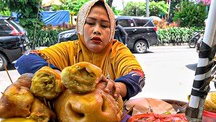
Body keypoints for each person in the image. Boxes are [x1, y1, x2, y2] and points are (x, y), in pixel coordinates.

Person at [14, 0, 145, 101]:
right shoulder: (68, 49)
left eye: (104, 26)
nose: (97, 30)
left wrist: (117, 88)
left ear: (111, 31)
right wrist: (57, 75)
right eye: (90, 23)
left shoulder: (117, 50)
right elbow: (25, 60)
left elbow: (137, 75)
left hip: (109, 118)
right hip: (67, 118)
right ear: (80, 25)